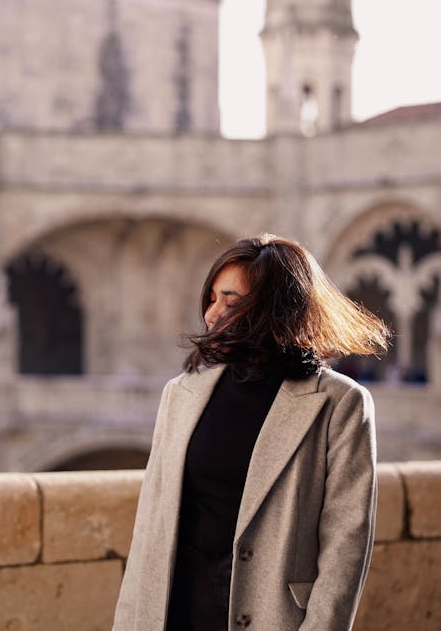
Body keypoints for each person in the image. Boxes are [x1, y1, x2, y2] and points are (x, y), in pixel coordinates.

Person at [113, 234, 389, 631]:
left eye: (232, 302)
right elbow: (149, 527)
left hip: (273, 617)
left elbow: (346, 544)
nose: (212, 314)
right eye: (211, 299)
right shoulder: (182, 394)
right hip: (174, 611)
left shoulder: (340, 404)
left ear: (278, 308)